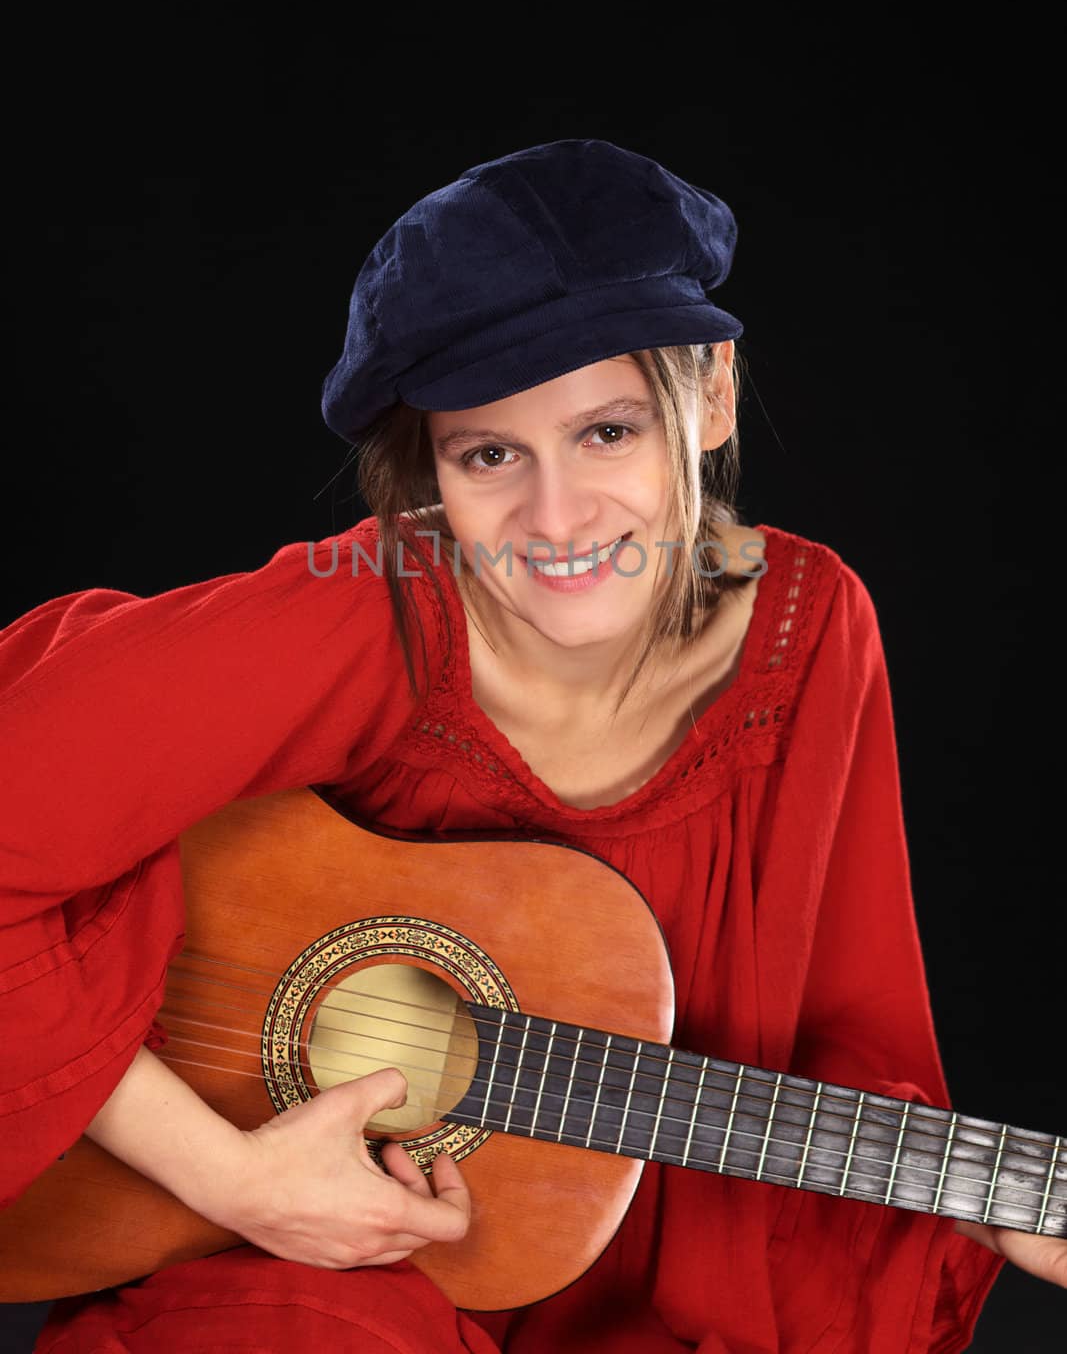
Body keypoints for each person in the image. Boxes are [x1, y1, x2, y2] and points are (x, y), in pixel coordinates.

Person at [0, 139, 1061, 1352]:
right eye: (488, 453)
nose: (553, 520)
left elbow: (835, 1037)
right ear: (427, 467)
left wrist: (983, 1197)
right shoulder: (373, 612)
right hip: (319, 1264)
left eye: (605, 432)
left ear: (708, 395)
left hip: (636, 1266)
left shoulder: (805, 632)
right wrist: (230, 1173)